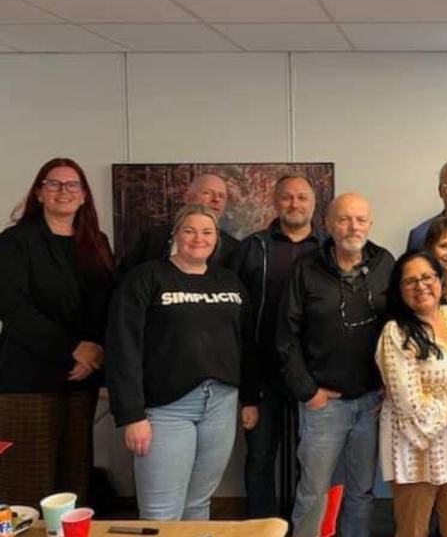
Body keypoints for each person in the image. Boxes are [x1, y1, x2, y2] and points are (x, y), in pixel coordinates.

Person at [106, 203, 260, 520]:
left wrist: (250, 398)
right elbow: (123, 347)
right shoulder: (146, 278)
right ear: (175, 234)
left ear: (216, 239)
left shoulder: (229, 282)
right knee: (161, 512)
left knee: (198, 503)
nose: (198, 238)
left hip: (220, 405)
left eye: (207, 232)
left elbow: (245, 344)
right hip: (166, 409)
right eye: (189, 230)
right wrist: (131, 415)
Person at [276, 193, 394, 537]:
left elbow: (397, 328)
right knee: (314, 492)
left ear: (370, 224)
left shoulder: (385, 263)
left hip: (371, 402)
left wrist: (390, 386)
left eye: (360, 219)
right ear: (328, 225)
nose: (353, 226)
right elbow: (285, 336)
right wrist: (307, 391)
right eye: (343, 219)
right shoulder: (306, 269)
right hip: (323, 404)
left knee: (362, 491)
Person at [0, 158, 114, 508]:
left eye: (72, 184)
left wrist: (96, 352)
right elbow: (14, 309)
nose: (63, 190)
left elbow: (108, 304)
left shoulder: (97, 242)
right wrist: (72, 350)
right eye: (54, 183)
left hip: (82, 379)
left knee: (73, 485)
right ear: (39, 193)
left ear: (84, 195)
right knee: (26, 486)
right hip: (28, 381)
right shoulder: (15, 241)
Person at [376, 251, 447, 537]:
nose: (421, 286)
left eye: (427, 277)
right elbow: (408, 402)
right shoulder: (395, 333)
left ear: (440, 281)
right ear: (399, 289)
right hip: (416, 449)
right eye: (410, 281)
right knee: (413, 531)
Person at [231, 174, 324, 518]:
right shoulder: (252, 248)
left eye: (302, 197)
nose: (294, 203)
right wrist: (246, 388)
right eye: (287, 197)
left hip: (312, 376)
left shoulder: (327, 249)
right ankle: (262, 526)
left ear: (314, 203)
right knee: (259, 458)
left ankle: (304, 527)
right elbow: (235, 313)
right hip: (262, 375)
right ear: (275, 201)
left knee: (311, 460)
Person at [118, 173, 239, 275]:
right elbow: (126, 277)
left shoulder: (233, 248)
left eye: (221, 196)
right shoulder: (153, 238)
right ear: (187, 197)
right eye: (207, 193)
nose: (216, 199)